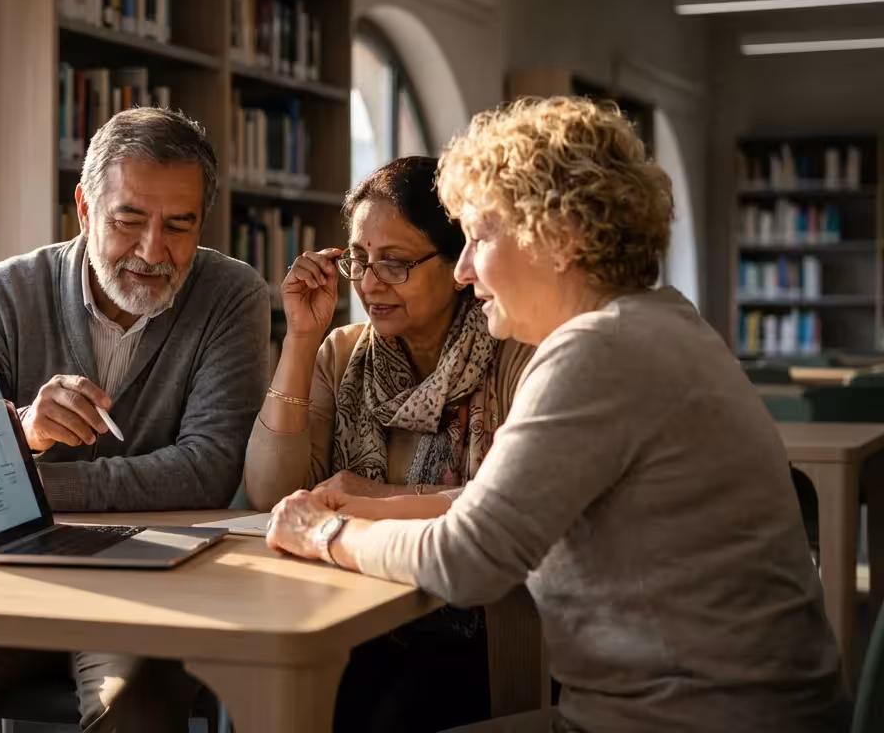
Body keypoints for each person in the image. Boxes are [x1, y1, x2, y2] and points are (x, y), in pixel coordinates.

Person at [265, 96, 850, 732]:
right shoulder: (657, 319)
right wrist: (370, 507)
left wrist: (319, 534)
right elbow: (501, 502)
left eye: (481, 236)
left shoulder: (594, 352)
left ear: (559, 236)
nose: (464, 267)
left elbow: (464, 562)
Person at [0, 107, 271, 733]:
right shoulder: (5, 292)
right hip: (7, 580)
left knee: (133, 708)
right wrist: (22, 434)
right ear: (84, 206)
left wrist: (16, 486)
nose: (153, 250)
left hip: (149, 584)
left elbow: (208, 470)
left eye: (179, 226)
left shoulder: (232, 295)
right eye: (129, 220)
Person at [243, 155, 534, 731]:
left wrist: (376, 496)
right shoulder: (343, 352)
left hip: (481, 627)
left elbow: (505, 509)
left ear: (458, 262)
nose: (371, 284)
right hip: (349, 615)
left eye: (396, 263)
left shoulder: (513, 354)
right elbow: (268, 493)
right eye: (360, 260)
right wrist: (301, 339)